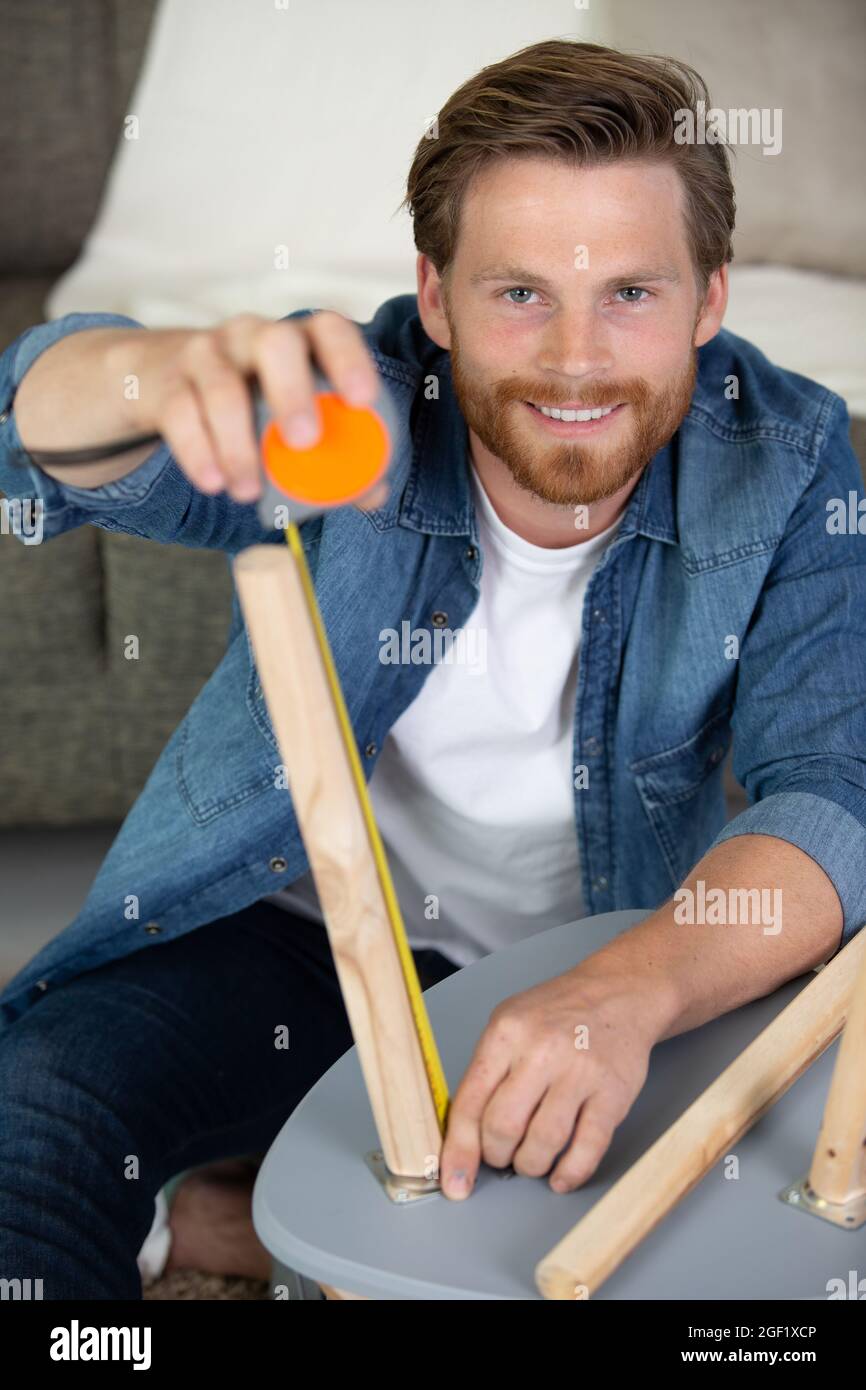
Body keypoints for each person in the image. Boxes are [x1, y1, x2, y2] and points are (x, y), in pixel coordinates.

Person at [1, 39, 864, 1299]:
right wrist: (160, 371)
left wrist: (622, 995)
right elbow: (32, 449)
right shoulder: (345, 405)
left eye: (630, 291)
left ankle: (242, 1202)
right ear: (438, 297)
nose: (575, 359)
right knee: (36, 1112)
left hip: (594, 950)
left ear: (709, 299)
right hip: (292, 937)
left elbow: (833, 791)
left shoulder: (788, 461)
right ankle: (237, 1194)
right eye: (519, 294)